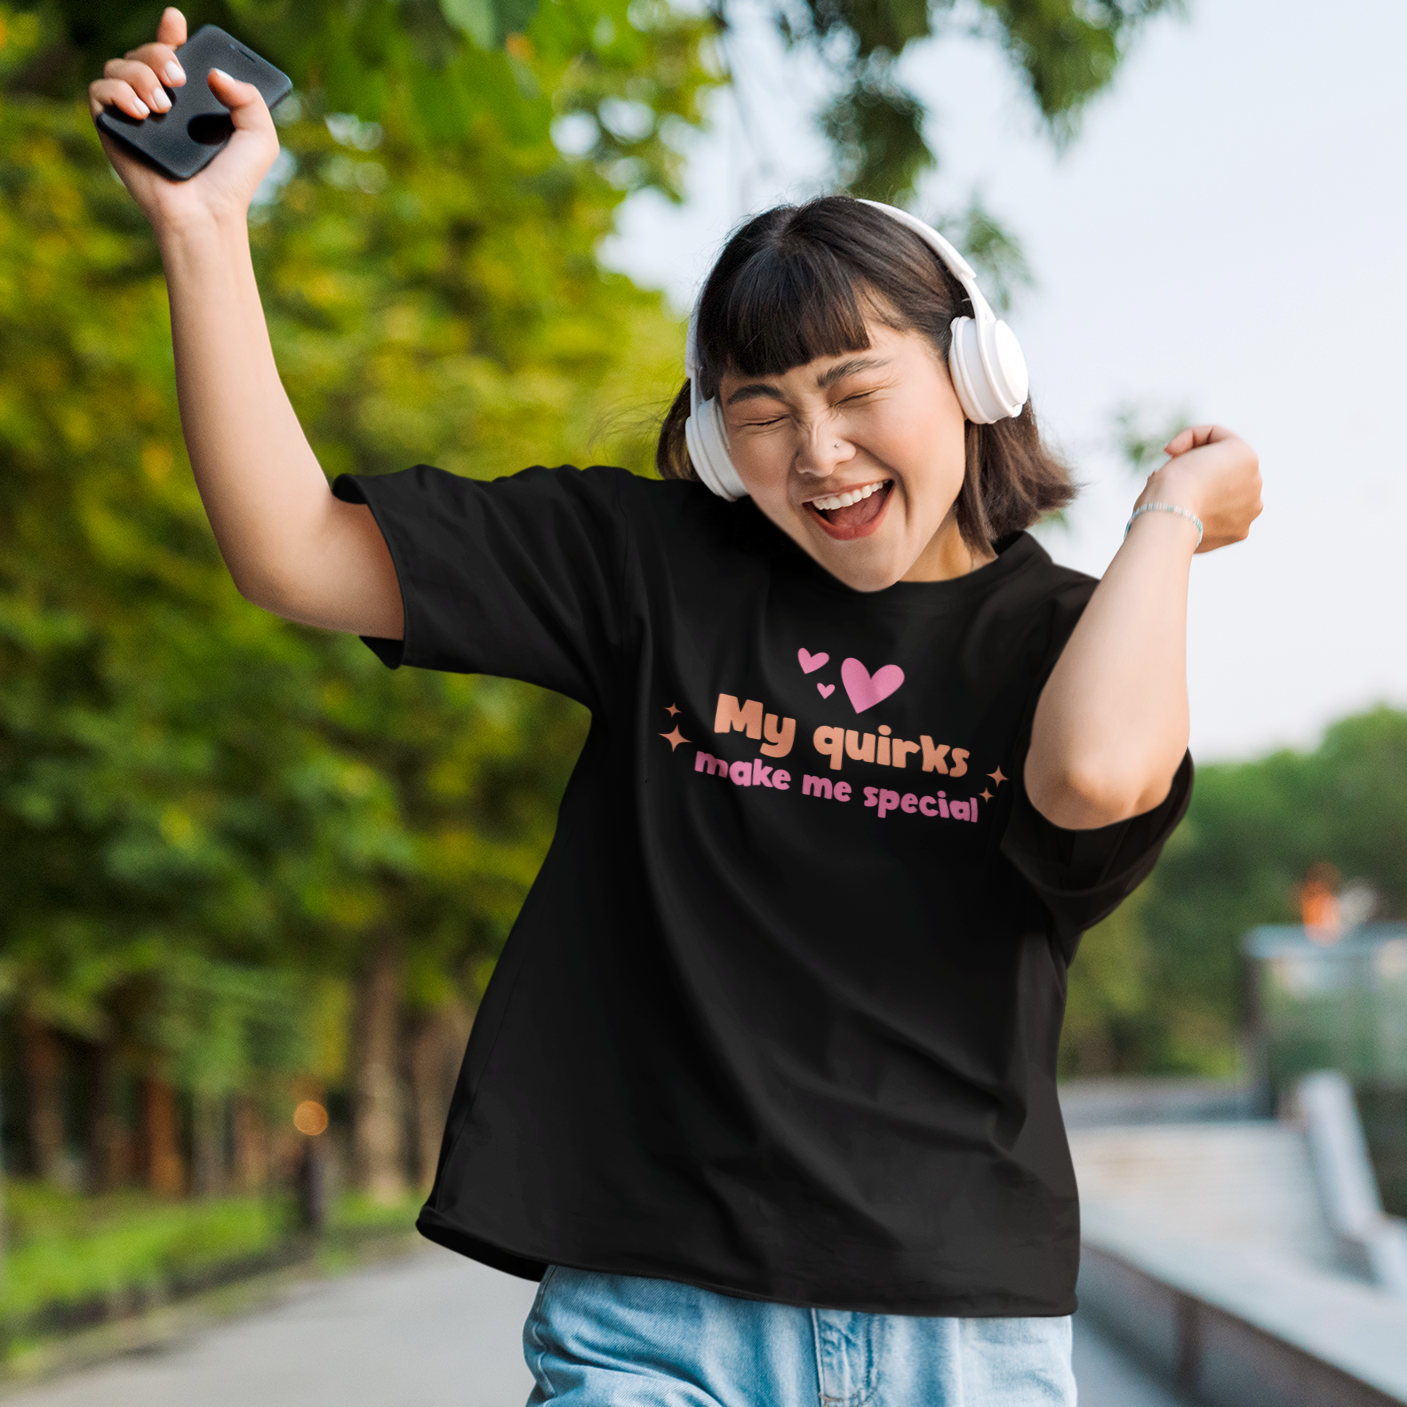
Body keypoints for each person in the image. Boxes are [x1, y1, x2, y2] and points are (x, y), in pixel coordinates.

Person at [91, 11, 1262, 1404]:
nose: (814, 450)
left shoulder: (1067, 641)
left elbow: (1088, 775)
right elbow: (292, 551)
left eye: (852, 388)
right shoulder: (650, 568)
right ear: (712, 434)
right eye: (757, 406)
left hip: (960, 1328)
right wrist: (202, 230)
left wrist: (1170, 517)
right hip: (656, 1318)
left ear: (972, 373)